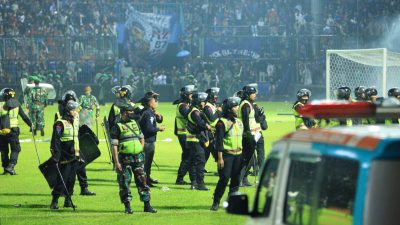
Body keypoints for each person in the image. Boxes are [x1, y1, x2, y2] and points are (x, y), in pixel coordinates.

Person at [110, 101, 157, 214]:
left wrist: (140, 148)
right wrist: (116, 162)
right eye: (130, 111)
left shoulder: (135, 123)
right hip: (125, 159)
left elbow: (141, 137)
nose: (132, 112)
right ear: (124, 113)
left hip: (138, 158)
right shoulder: (117, 126)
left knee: (143, 181)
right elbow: (114, 146)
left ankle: (147, 205)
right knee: (125, 182)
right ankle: (127, 207)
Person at [58, 90, 96, 196]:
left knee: (81, 166)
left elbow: (78, 127)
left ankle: (84, 188)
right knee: (66, 170)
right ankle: (63, 190)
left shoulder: (76, 113)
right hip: (66, 146)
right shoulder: (60, 114)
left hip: (76, 145)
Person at [210, 96, 243, 211]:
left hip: (238, 155)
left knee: (236, 180)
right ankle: (216, 202)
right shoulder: (221, 123)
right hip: (227, 155)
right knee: (224, 179)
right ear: (229, 109)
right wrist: (220, 158)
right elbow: (219, 142)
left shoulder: (239, 122)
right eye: (235, 106)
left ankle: (232, 203)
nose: (237, 108)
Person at [50, 100, 81, 209]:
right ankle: (55, 201)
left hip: (75, 155)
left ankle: (68, 200)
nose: (77, 112)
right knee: (62, 179)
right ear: (69, 111)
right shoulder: (60, 123)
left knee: (71, 179)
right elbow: (55, 140)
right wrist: (56, 155)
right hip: (64, 156)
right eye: (75, 110)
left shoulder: (75, 120)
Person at [0, 88, 32, 175]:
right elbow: (24, 117)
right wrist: (31, 125)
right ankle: (11, 166)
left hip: (2, 131)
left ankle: (5, 168)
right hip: (13, 131)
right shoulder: (17, 104)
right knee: (15, 149)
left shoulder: (0, 105)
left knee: (3, 150)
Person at [139, 91, 165, 187]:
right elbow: (149, 129)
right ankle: (145, 181)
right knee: (146, 163)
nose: (157, 102)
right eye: (155, 100)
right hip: (147, 141)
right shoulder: (148, 114)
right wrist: (159, 128)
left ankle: (147, 178)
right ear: (150, 103)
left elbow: (159, 119)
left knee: (147, 163)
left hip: (147, 141)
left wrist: (159, 116)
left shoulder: (149, 112)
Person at [238, 83, 263, 187]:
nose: (255, 95)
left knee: (249, 160)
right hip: (248, 135)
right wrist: (248, 135)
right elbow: (245, 121)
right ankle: (239, 180)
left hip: (253, 134)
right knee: (247, 159)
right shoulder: (245, 105)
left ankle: (244, 179)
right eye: (253, 93)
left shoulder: (249, 104)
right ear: (248, 94)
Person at [186, 92, 212, 190]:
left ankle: (194, 183)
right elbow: (200, 124)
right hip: (196, 140)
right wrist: (207, 126)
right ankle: (200, 183)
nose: (204, 103)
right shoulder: (195, 112)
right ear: (198, 102)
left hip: (192, 140)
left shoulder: (194, 110)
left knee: (193, 162)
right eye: (203, 101)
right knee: (200, 161)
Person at [174, 85, 195, 185]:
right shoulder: (183, 106)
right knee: (188, 156)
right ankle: (180, 178)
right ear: (186, 95)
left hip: (184, 134)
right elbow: (189, 115)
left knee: (187, 156)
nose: (192, 96)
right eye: (191, 94)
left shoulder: (184, 104)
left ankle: (188, 178)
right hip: (183, 134)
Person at [203, 87, 222, 164]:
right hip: (210, 132)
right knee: (208, 150)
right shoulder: (207, 107)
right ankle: (199, 167)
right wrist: (218, 111)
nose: (216, 97)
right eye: (214, 95)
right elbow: (211, 119)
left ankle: (201, 167)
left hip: (215, 131)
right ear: (210, 96)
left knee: (212, 150)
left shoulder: (213, 105)